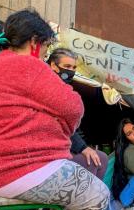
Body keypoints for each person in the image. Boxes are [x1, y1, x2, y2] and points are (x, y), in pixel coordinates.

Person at [0, 9, 109, 210]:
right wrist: (62, 123)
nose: (43, 54)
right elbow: (74, 107)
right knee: (98, 195)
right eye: (44, 46)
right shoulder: (27, 65)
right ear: (33, 41)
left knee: (77, 187)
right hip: (9, 170)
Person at [46, 48, 108, 180]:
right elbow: (59, 121)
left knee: (99, 158)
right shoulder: (47, 86)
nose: (71, 71)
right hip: (48, 148)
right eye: (67, 66)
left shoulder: (66, 89)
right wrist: (83, 148)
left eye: (74, 67)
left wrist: (83, 146)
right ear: (53, 65)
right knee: (93, 160)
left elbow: (72, 126)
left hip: (63, 145)